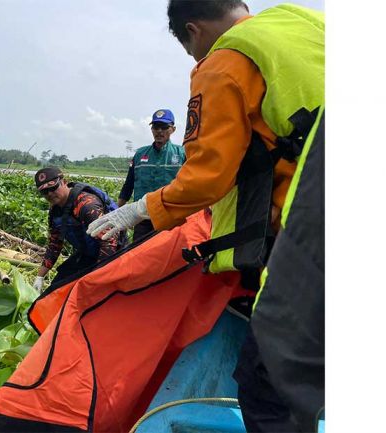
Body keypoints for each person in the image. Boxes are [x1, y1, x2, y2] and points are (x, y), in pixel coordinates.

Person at [87, 1, 324, 431]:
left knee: (265, 386)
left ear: (193, 32)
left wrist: (139, 211)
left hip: (312, 234)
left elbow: (206, 179)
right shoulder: (304, 22)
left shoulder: (224, 62)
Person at [32, 167, 127, 292]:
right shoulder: (55, 210)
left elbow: (109, 242)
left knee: (88, 293)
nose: (49, 194)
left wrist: (97, 277)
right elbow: (55, 245)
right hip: (88, 254)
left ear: (64, 182)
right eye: (44, 192)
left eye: (53, 188)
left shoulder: (86, 205)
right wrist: (40, 276)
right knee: (56, 288)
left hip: (113, 256)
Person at [118, 109, 185, 241]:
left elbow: (191, 185)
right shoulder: (139, 154)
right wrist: (118, 213)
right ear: (152, 129)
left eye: (164, 127)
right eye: (156, 127)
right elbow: (128, 185)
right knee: (139, 254)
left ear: (173, 129)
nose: (159, 131)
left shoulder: (182, 154)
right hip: (142, 218)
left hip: (170, 218)